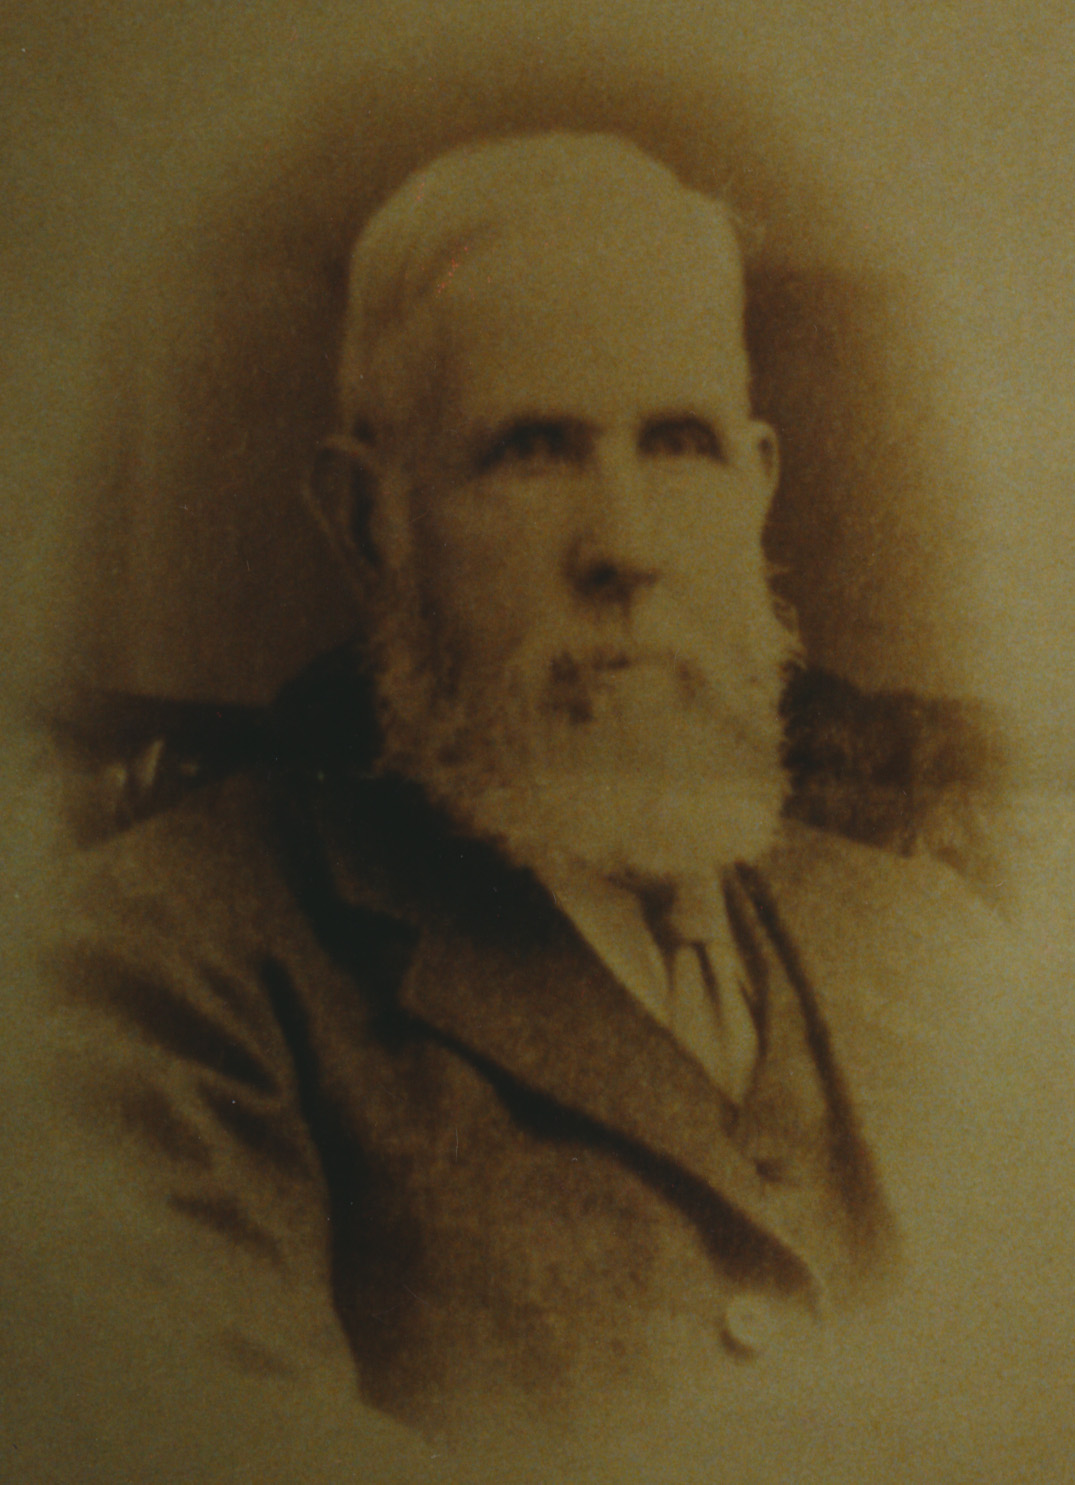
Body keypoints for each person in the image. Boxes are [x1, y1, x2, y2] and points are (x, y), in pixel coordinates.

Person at [39, 132, 1034, 1458]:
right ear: (367, 520)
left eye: (678, 444)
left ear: (757, 487)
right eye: (533, 450)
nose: (626, 543)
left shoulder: (945, 943)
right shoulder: (156, 972)